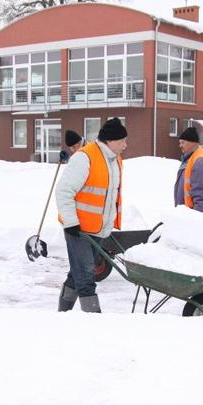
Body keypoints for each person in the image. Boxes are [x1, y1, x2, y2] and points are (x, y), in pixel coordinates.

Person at [55, 118, 128, 313]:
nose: (125, 145)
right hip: (78, 229)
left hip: (98, 229)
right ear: (111, 141)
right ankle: (94, 317)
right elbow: (63, 191)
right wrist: (70, 222)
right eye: (123, 141)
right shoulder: (84, 157)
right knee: (86, 276)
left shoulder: (115, 160)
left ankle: (63, 313)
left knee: (77, 273)